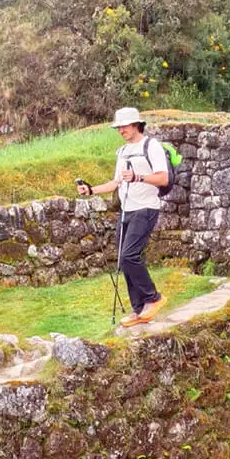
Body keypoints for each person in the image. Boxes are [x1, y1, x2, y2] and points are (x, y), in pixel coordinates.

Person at [78, 106, 170, 328]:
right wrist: (91, 190)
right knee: (122, 259)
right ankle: (139, 310)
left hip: (146, 207)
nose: (121, 130)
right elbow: (116, 183)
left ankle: (153, 298)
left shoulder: (151, 146)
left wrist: (138, 177)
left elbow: (163, 179)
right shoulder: (122, 152)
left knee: (130, 255)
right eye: (119, 127)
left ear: (137, 124)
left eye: (125, 126)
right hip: (127, 210)